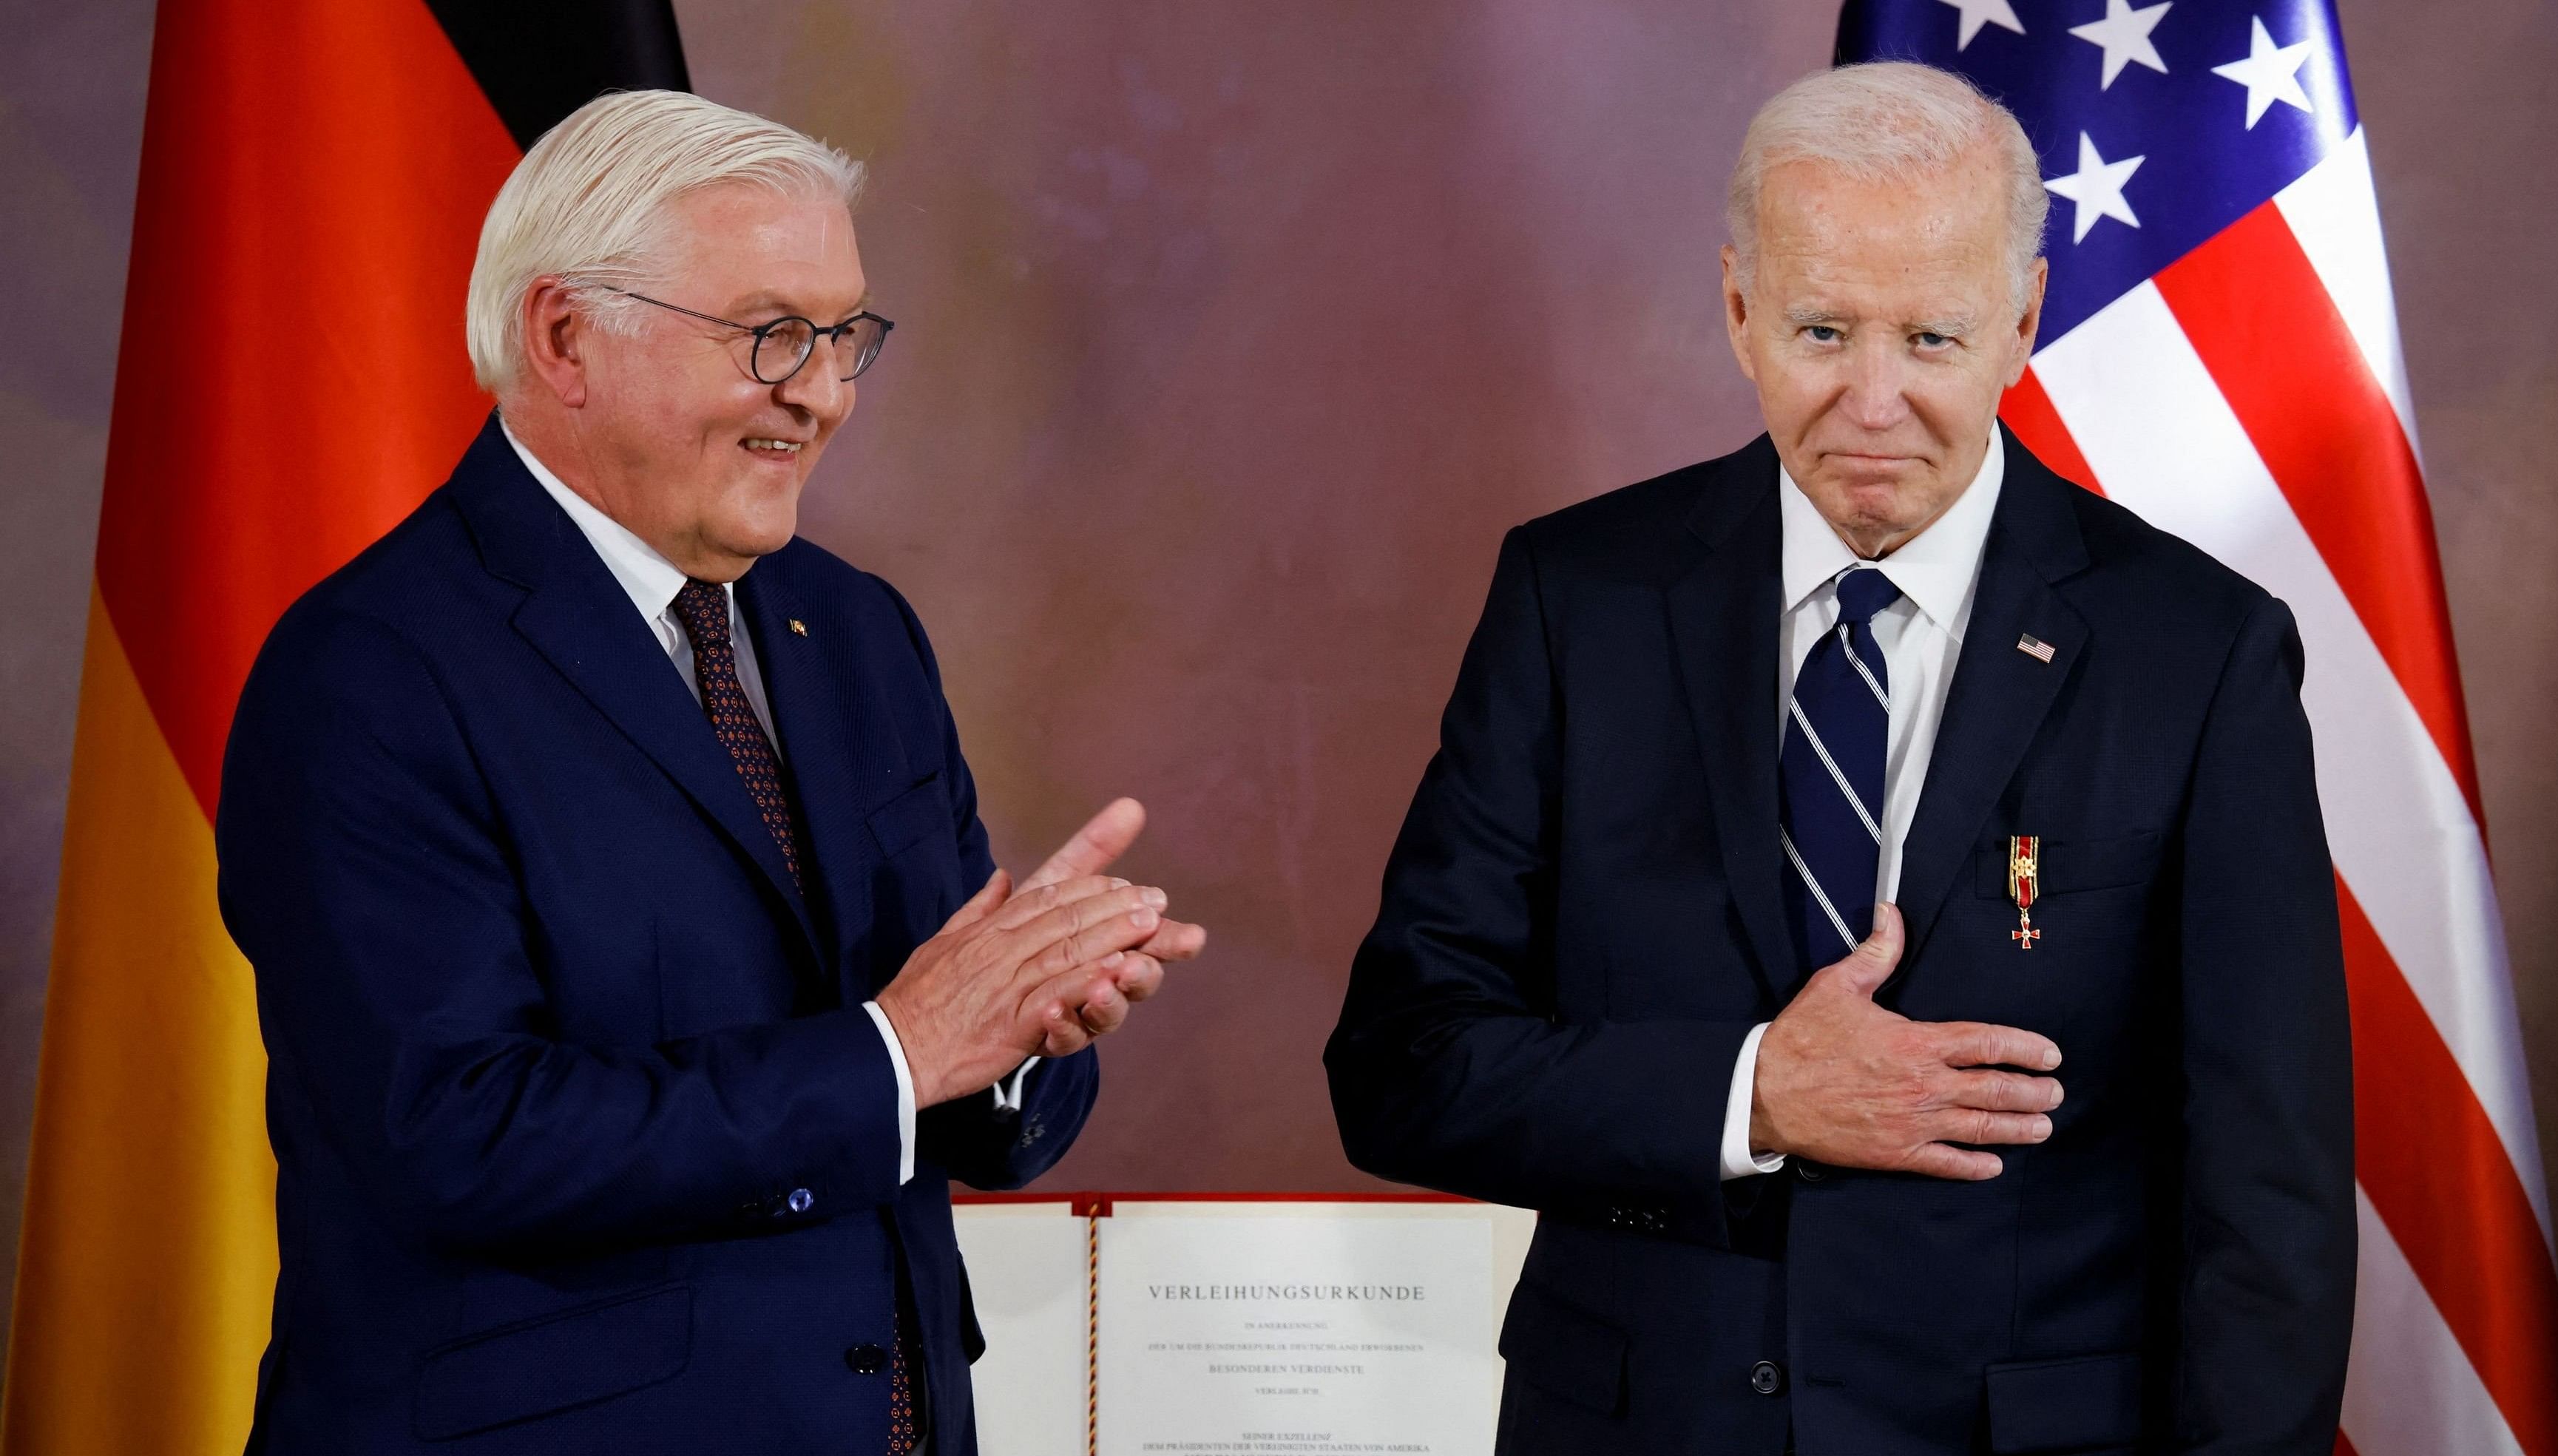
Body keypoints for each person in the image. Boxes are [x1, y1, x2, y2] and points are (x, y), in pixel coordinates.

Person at [1325, 61, 2352, 1455]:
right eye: (1822, 330)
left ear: (2023, 319)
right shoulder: (1578, 601)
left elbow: (2269, 1196)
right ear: (1741, 311)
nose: (1873, 405)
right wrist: (1752, 1093)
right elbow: (1402, 1065)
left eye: (1932, 340)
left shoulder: (2201, 653)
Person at [216, 90, 1202, 1452]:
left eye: (846, 334)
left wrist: (1023, 1028)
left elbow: (938, 1067)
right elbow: (455, 1135)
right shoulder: (367, 671)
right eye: (770, 335)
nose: (824, 392)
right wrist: (903, 1049)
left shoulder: (856, 629)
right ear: (565, 337)